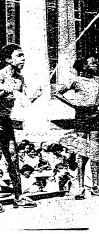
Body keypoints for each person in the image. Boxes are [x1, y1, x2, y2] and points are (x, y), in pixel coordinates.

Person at [54, 56, 99, 200]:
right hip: (81, 116)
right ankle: (80, 187)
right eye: (92, 63)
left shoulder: (98, 80)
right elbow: (58, 93)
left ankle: (96, 186)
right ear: (84, 66)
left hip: (94, 115)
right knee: (82, 152)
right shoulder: (75, 80)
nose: (96, 64)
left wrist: (96, 104)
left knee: (94, 151)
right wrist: (73, 105)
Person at [0, 44, 42, 212]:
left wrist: (34, 96)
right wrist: (3, 91)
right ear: (8, 59)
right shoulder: (1, 75)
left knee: (12, 156)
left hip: (5, 120)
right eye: (19, 56)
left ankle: (18, 197)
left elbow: (24, 102)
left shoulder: (20, 78)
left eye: (23, 55)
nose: (23, 59)